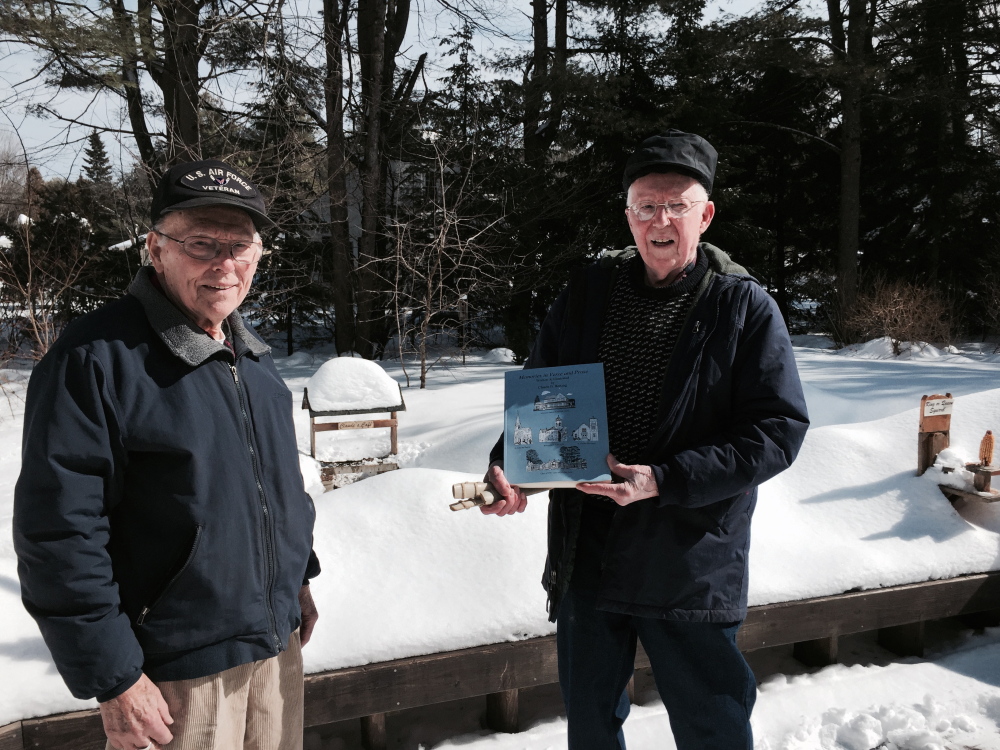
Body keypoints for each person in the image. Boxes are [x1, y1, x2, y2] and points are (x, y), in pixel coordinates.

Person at [481, 130, 809, 749]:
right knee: (591, 725)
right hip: (589, 555)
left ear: (705, 215)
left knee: (711, 724)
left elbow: (777, 431)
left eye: (677, 206)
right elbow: (539, 398)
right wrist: (510, 466)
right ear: (628, 215)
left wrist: (666, 478)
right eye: (646, 206)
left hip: (686, 555)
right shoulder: (586, 296)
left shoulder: (744, 308)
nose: (661, 221)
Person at [14, 158, 321, 750]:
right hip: (172, 678)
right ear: (156, 249)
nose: (223, 264)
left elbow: (277, 491)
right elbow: (58, 531)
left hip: (274, 653)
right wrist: (115, 677)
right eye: (201, 242)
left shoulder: (254, 363)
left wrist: (299, 581)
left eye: (239, 245)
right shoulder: (98, 360)